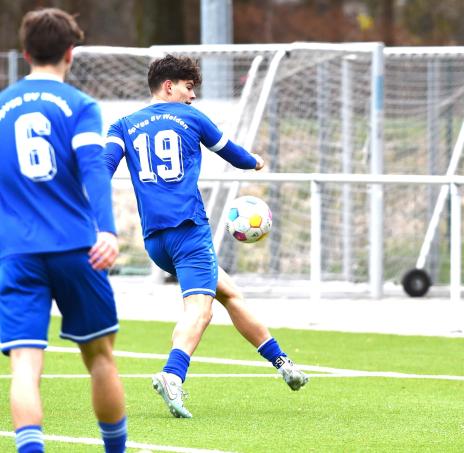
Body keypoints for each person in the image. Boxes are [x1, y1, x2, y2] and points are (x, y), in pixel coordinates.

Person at [103, 55, 308, 419]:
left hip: (155, 241)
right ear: (169, 86)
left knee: (229, 292)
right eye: (188, 86)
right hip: (189, 231)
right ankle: (172, 375)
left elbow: (101, 170)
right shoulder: (191, 118)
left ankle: (283, 363)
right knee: (201, 309)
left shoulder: (122, 126)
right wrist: (257, 162)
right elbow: (235, 155)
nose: (192, 96)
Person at [0, 8, 128, 453]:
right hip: (79, 247)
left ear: (25, 52)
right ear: (71, 53)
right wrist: (106, 230)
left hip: (16, 252)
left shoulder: (1, 107)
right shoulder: (79, 106)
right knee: (99, 359)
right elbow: (94, 168)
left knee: (24, 367)